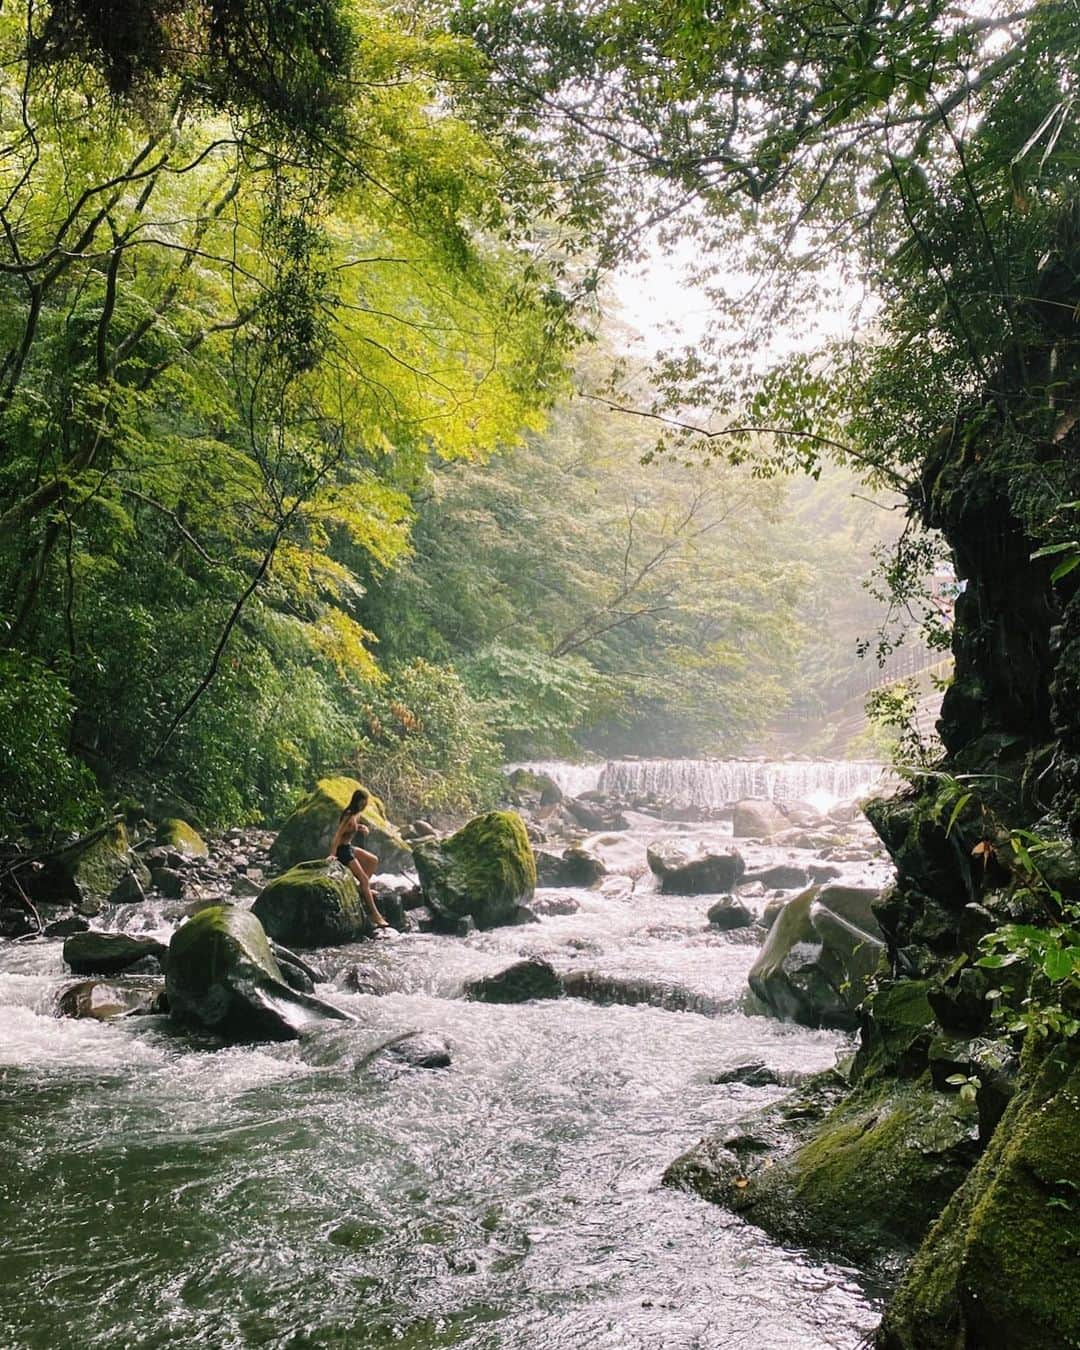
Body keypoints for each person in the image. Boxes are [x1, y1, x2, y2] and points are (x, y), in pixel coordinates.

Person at [328, 789, 389, 930]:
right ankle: (375, 914)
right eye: (363, 803)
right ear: (357, 801)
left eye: (366, 803)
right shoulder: (348, 815)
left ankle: (362, 889)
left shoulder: (357, 815)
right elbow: (338, 835)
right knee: (364, 879)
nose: (364, 806)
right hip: (343, 851)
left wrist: (361, 827)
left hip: (349, 847)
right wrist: (332, 854)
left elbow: (352, 828)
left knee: (373, 860)